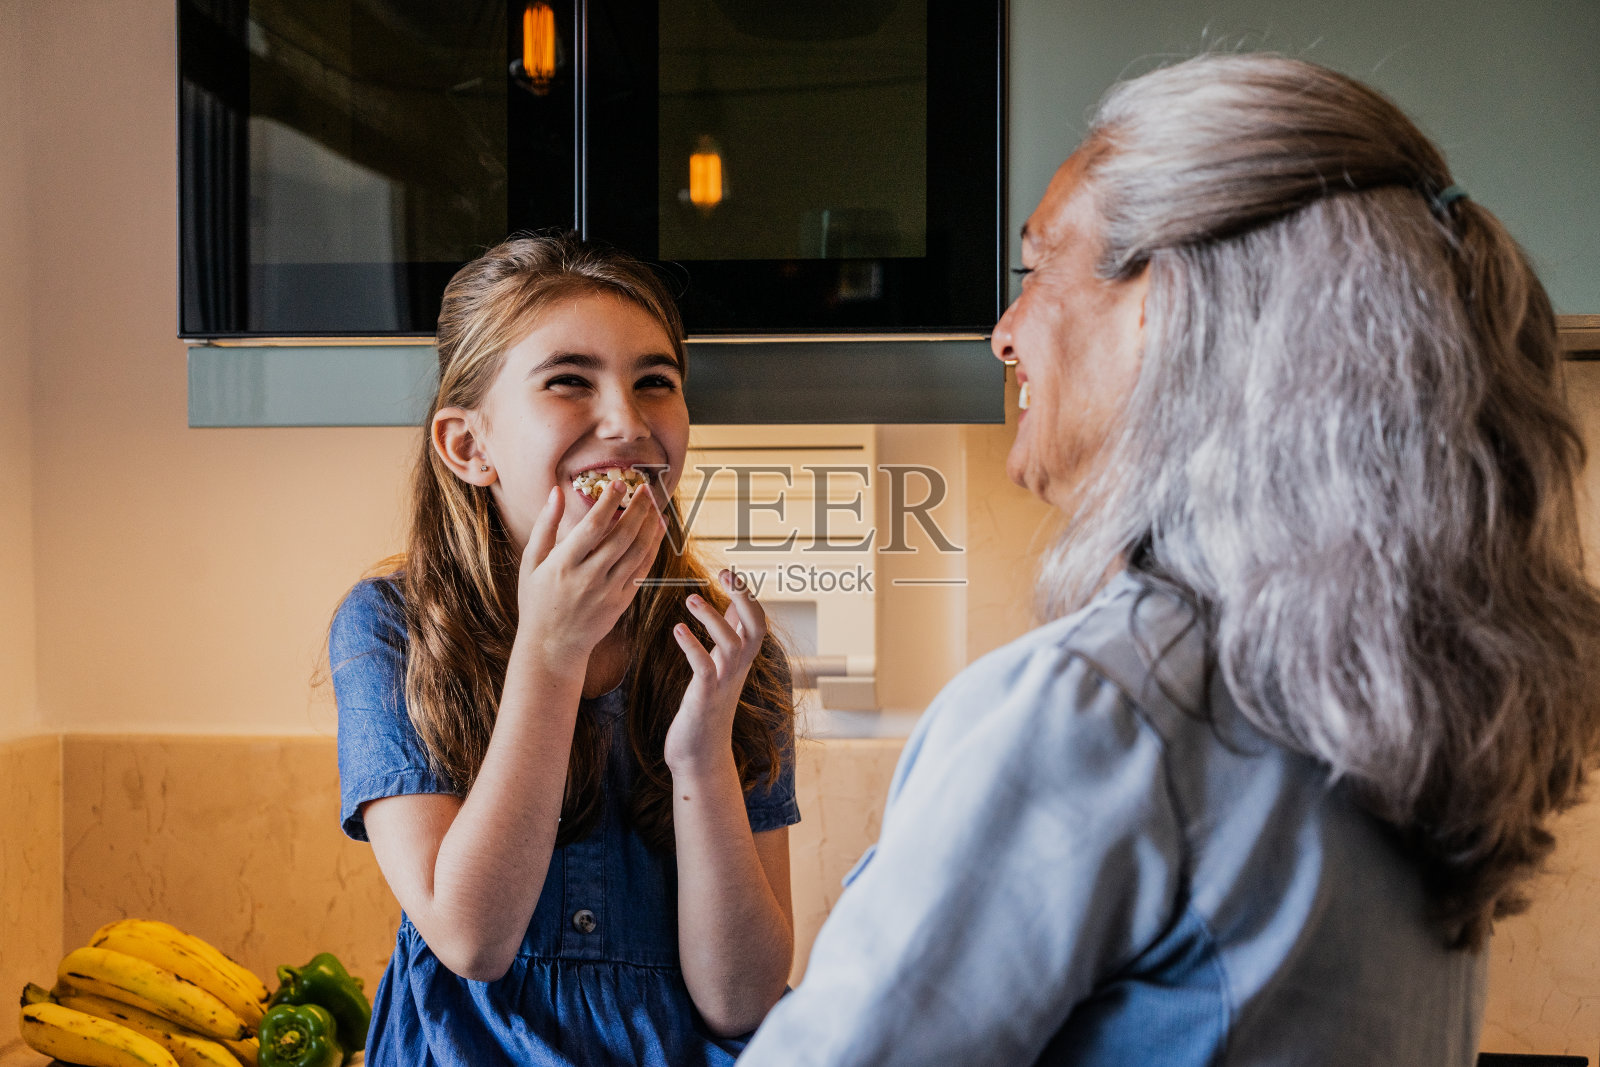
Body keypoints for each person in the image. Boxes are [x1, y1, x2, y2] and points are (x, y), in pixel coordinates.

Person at [738, 53, 1600, 1066]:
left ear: (1165, 308)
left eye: (1037, 268)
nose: (1002, 333)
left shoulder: (1103, 713)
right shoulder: (1386, 702)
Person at [329, 233, 800, 1066]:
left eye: (655, 381)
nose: (626, 421)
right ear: (468, 446)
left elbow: (743, 999)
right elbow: (472, 938)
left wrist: (702, 760)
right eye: (569, 382)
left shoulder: (731, 651)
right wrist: (550, 652)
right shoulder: (392, 629)